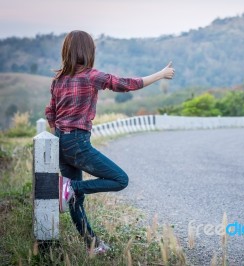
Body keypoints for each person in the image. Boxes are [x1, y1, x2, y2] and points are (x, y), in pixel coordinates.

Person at [45, 30, 175, 254]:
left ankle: (93, 246)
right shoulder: (91, 76)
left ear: (66, 51)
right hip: (77, 142)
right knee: (119, 179)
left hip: (61, 143)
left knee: (75, 199)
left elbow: (50, 113)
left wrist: (60, 134)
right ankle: (70, 188)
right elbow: (127, 84)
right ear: (87, 52)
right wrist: (161, 74)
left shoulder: (59, 80)